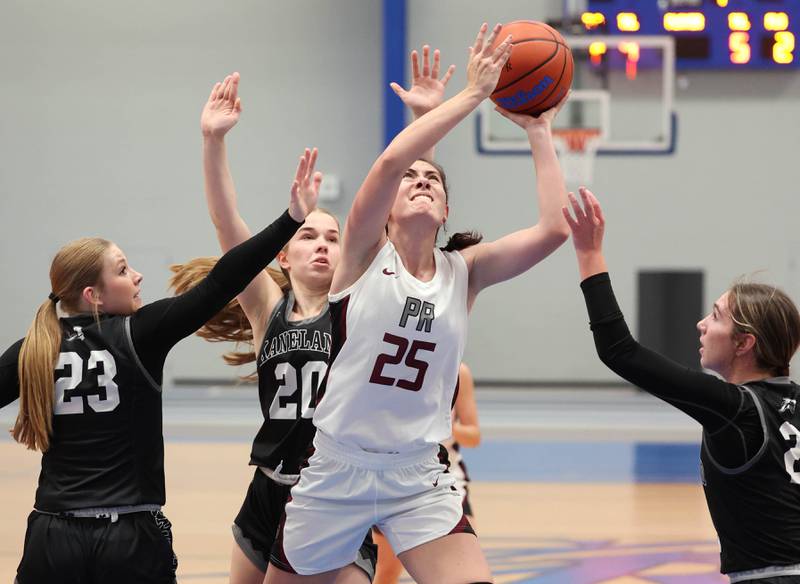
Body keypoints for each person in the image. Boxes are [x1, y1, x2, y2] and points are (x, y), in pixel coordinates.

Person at [268, 23, 571, 584]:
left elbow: (554, 229)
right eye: (412, 179)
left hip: (419, 473)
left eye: (433, 178)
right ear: (383, 211)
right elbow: (388, 166)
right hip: (338, 468)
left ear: (447, 209)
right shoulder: (360, 255)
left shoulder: (466, 271)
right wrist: (469, 95)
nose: (421, 180)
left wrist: (539, 128)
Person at [0, 146, 321, 584]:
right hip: (128, 537)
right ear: (93, 295)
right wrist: (290, 220)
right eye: (123, 269)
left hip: (52, 537)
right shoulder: (139, 334)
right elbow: (223, 280)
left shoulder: (33, 348)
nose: (137, 276)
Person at [170, 72, 381, 584]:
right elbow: (226, 224)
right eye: (310, 235)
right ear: (284, 254)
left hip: (333, 489)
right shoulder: (268, 306)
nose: (324, 244)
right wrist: (213, 140)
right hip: (267, 488)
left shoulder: (360, 305)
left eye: (334, 236)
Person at [565, 187, 800, 583]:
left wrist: (589, 253)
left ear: (744, 343)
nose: (701, 324)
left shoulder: (735, 410)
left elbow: (619, 351)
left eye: (716, 316)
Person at [372, 362, 481, 584]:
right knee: (387, 572)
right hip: (396, 478)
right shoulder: (390, 366)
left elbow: (474, 435)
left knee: (466, 569)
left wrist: (443, 426)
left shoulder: (458, 371)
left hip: (447, 479)